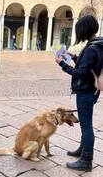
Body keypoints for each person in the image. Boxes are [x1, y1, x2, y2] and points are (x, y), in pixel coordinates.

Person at [55, 15, 103, 171]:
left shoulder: (91, 48)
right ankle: (82, 151)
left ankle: (86, 161)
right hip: (92, 90)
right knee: (85, 124)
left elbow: (80, 73)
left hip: (86, 91)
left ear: (84, 30)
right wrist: (72, 56)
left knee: (86, 126)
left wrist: (62, 63)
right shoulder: (97, 44)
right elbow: (88, 68)